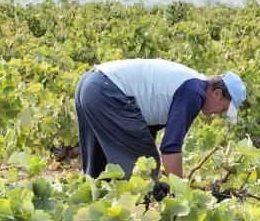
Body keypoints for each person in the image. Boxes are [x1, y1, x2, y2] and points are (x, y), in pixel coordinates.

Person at [74, 59, 245, 179]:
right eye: (223, 108)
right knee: (145, 169)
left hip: (90, 84)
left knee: (97, 172)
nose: (220, 113)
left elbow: (146, 131)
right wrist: (180, 196)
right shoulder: (194, 93)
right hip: (106, 91)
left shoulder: (190, 83)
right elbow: (171, 148)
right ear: (217, 93)